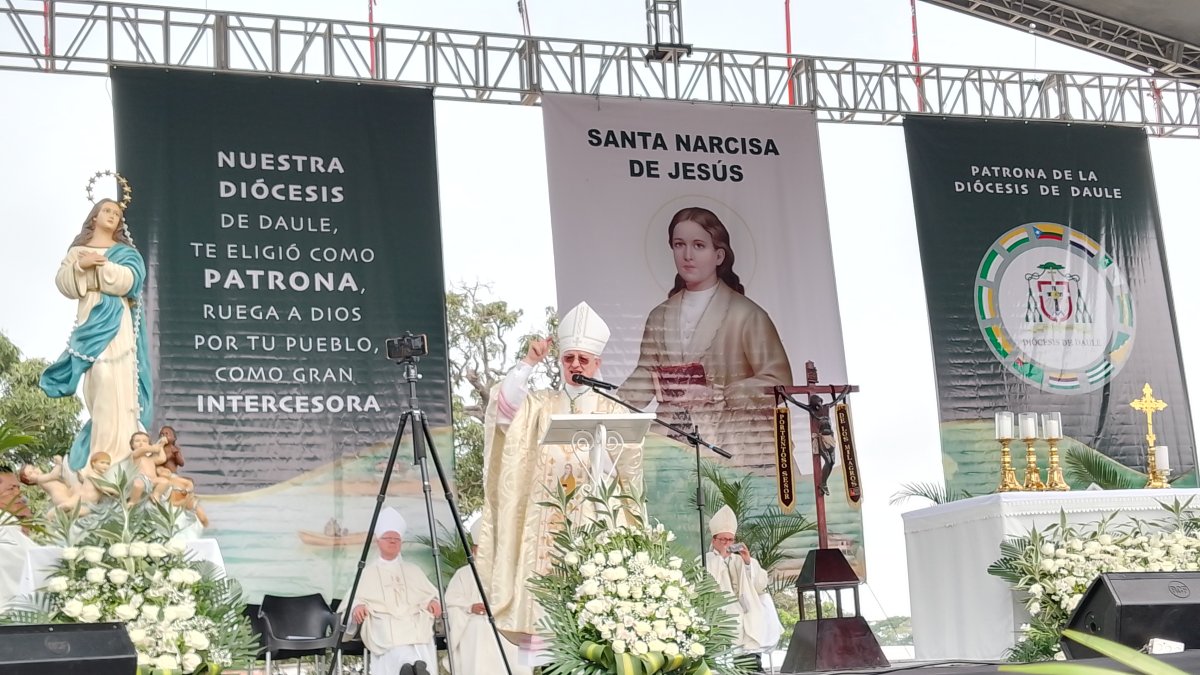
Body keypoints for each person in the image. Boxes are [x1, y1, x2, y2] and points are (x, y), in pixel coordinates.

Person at [477, 301, 645, 640]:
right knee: (547, 625)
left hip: (597, 518)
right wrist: (528, 363)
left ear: (597, 362)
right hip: (547, 523)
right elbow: (505, 409)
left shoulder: (614, 408)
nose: (575, 365)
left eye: (584, 359)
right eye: (569, 358)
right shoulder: (541, 404)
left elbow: (629, 469)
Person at [621, 206, 792, 472]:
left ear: (719, 255)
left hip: (731, 442)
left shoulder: (745, 314)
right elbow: (646, 372)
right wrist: (612, 405)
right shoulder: (659, 316)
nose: (687, 255)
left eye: (699, 245)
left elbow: (778, 382)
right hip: (672, 440)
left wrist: (717, 393)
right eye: (679, 245)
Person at [40, 198, 152, 472]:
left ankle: (124, 458)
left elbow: (131, 282)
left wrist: (97, 268)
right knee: (99, 380)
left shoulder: (127, 252)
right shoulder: (78, 252)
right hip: (92, 325)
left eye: (117, 213)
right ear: (94, 217)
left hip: (120, 327)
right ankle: (100, 459)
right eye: (107, 211)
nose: (113, 215)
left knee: (123, 384)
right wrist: (82, 265)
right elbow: (65, 283)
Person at [349, 507, 441, 675]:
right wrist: (357, 607)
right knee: (392, 639)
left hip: (413, 620)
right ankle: (410, 668)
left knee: (419, 634)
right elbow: (354, 599)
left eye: (396, 539)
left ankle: (413, 667)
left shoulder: (413, 570)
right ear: (378, 541)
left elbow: (430, 595)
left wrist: (434, 602)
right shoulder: (367, 572)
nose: (392, 541)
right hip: (383, 622)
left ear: (401, 543)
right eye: (388, 538)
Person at [444, 521, 531, 675]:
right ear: (473, 550)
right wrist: (471, 607)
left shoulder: (508, 573)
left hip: (504, 628)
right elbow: (451, 601)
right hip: (475, 628)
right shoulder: (463, 574)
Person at [705, 505, 783, 664]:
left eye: (730, 540)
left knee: (762, 605)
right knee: (739, 615)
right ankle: (742, 663)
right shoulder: (706, 559)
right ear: (714, 540)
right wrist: (721, 558)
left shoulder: (739, 559)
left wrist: (747, 561)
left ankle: (754, 661)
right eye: (723, 539)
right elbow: (708, 582)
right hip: (721, 605)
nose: (727, 543)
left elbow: (760, 584)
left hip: (744, 603)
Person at [18, 459, 87, 516]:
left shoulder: (43, 478)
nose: (35, 471)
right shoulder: (39, 479)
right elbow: (53, 475)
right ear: (30, 481)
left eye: (33, 468)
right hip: (59, 496)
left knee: (77, 487)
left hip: (65, 492)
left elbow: (59, 479)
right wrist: (58, 464)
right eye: (31, 473)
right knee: (72, 502)